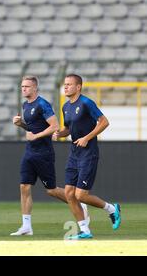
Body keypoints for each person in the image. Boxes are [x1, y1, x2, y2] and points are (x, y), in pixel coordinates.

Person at [11, 76, 89, 236]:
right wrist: (22, 125)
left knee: (51, 190)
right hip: (29, 152)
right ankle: (26, 226)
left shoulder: (43, 104)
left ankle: (79, 204)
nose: (23, 89)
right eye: (22, 87)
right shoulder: (25, 105)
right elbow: (33, 128)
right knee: (24, 187)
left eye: (26, 86)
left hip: (43, 153)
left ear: (34, 88)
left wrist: (36, 136)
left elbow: (54, 126)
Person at [54, 74, 121, 240]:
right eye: (65, 84)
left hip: (88, 154)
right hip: (74, 154)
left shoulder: (86, 103)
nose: (66, 87)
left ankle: (111, 209)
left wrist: (87, 138)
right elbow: (69, 128)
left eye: (69, 84)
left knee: (81, 195)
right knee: (69, 193)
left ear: (78, 87)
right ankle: (85, 231)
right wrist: (59, 133)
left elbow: (104, 122)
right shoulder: (65, 107)